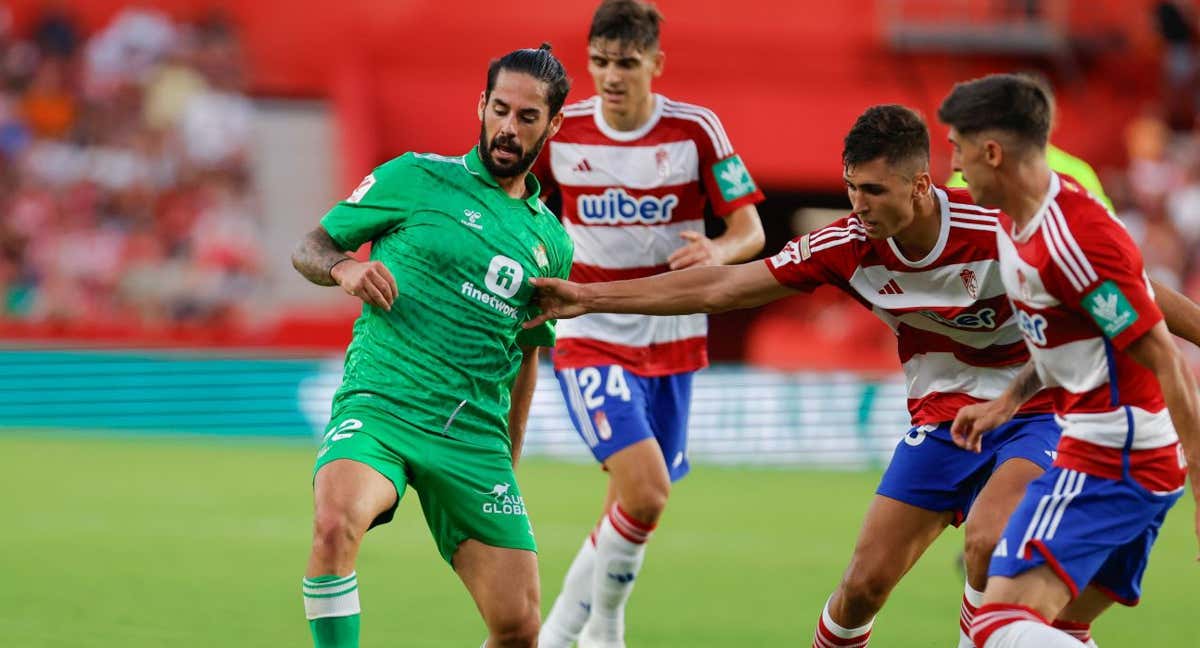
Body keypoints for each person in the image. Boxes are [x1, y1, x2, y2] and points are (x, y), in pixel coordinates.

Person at [525, 104, 1200, 647]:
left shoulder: (993, 229)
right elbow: (727, 287)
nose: (858, 204)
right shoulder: (845, 247)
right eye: (850, 188)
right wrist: (589, 297)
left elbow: (1138, 293)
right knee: (860, 588)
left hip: (1036, 411)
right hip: (939, 422)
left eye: (872, 190)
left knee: (988, 542)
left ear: (920, 184)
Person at [289, 45, 573, 648]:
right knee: (335, 521)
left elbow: (526, 359)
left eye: (527, 117)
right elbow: (310, 246)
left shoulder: (551, 242)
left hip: (472, 439)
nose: (508, 127)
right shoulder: (414, 176)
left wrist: (508, 464)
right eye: (500, 109)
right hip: (382, 407)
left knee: (519, 627)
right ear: (481, 105)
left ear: (554, 125)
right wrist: (343, 269)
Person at [532, 3, 765, 647]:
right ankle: (604, 630)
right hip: (590, 332)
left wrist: (719, 249)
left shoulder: (696, 131)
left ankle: (557, 634)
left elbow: (751, 229)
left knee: (636, 504)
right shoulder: (563, 130)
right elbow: (520, 208)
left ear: (656, 65)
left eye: (627, 64)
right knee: (646, 491)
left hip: (673, 338)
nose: (611, 77)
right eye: (600, 63)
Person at [941, 73, 1200, 648]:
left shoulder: (1072, 239)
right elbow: (1064, 332)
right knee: (1060, 627)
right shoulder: (1015, 219)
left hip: (1113, 456)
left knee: (997, 626)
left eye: (957, 147)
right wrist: (1008, 401)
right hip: (1123, 452)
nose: (952, 164)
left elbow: (1163, 356)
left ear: (992, 152)